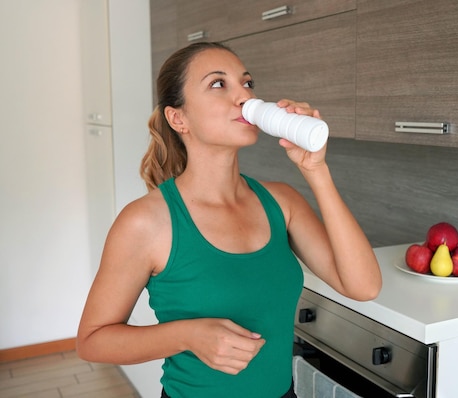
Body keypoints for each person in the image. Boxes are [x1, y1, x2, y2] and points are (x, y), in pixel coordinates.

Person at [76, 41, 382, 398]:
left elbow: (363, 286)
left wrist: (316, 170)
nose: (244, 97)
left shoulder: (281, 202)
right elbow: (92, 341)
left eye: (247, 83)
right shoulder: (147, 222)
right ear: (179, 118)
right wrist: (188, 335)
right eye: (218, 84)